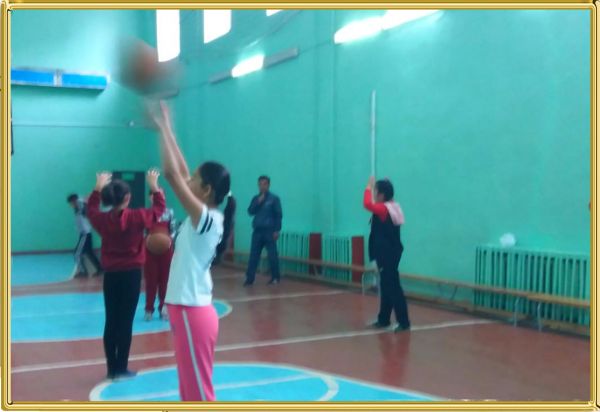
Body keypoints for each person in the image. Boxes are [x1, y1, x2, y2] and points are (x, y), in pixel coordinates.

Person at [149, 100, 235, 401]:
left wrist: (162, 129)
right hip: (186, 310)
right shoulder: (204, 216)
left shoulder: (208, 220)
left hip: (191, 312)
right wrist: (168, 128)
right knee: (189, 393)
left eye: (195, 180)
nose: (189, 181)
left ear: (207, 190)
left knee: (199, 395)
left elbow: (173, 175)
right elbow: (182, 173)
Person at [87, 170, 165, 380]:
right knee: (125, 322)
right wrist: (154, 186)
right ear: (128, 198)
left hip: (111, 275)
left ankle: (111, 368)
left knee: (111, 321)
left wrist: (97, 187)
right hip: (131, 274)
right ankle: (121, 368)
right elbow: (159, 209)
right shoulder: (137, 217)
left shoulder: (103, 220)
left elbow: (91, 209)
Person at [363, 176, 410, 333]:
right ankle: (383, 319)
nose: (374, 194)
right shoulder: (392, 206)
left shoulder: (384, 209)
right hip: (391, 252)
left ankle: (404, 322)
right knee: (386, 285)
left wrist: (368, 187)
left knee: (393, 287)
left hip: (387, 254)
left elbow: (367, 204)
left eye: (375, 192)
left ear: (382, 195)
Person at [144, 190, 176, 321]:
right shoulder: (146, 213)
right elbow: (142, 231)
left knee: (165, 279)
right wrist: (147, 240)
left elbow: (173, 230)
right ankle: (148, 309)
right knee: (151, 280)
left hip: (166, 250)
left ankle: (164, 308)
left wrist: (168, 240)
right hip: (149, 250)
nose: (156, 197)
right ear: (149, 197)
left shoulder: (169, 212)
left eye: (160, 194)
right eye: (153, 195)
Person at [244, 176, 282, 286]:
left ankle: (275, 277)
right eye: (260, 184)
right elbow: (250, 211)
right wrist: (258, 202)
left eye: (264, 184)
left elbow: (278, 215)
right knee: (253, 256)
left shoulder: (274, 199)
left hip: (269, 231)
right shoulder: (256, 198)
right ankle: (249, 279)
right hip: (257, 231)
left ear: (268, 185)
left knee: (272, 255)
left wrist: (277, 230)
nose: (262, 186)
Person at [66, 194, 102, 278]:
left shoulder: (81, 206)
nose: (71, 205)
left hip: (85, 234)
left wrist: (81, 199)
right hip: (85, 233)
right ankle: (100, 269)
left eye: (71, 203)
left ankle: (83, 272)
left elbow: (84, 204)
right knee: (89, 252)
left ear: (74, 201)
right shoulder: (77, 209)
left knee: (77, 254)